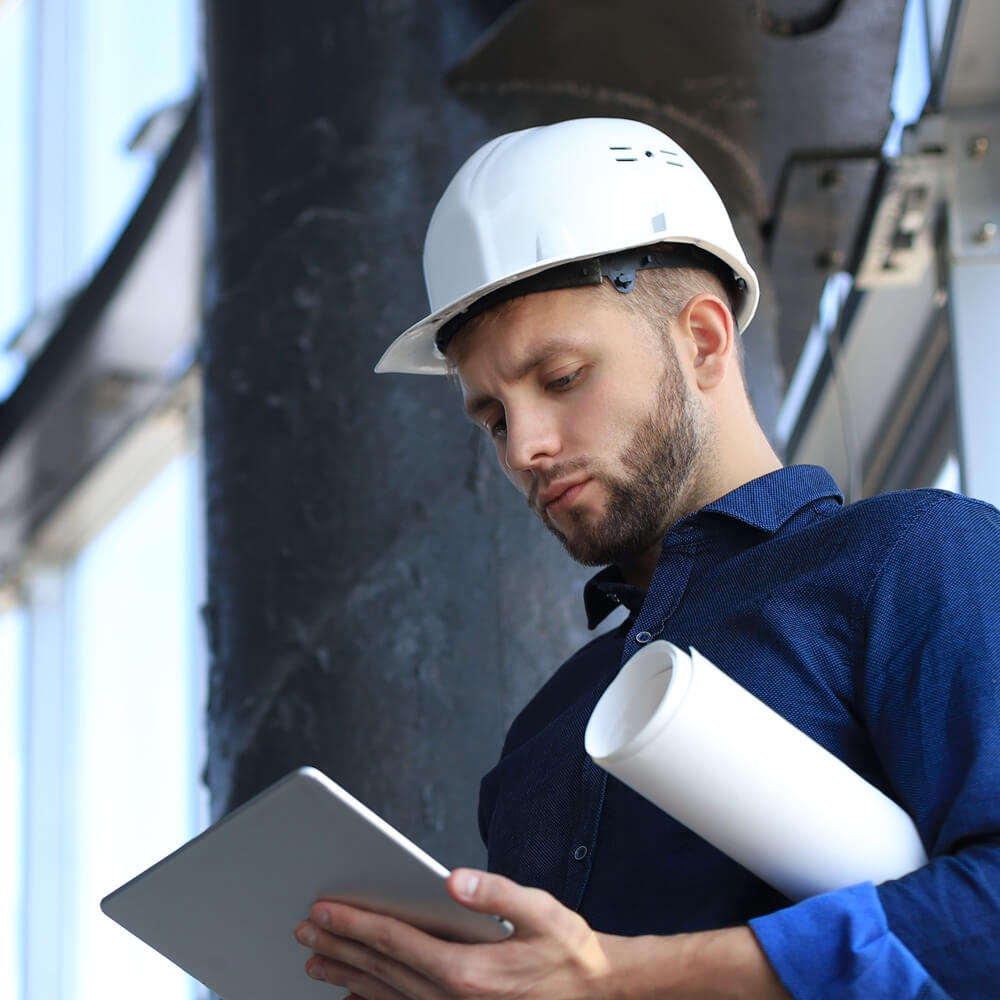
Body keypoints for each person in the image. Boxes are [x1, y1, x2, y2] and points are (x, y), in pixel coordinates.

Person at [293, 118, 1000, 998]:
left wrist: (615, 980)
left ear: (702, 341)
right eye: (492, 417)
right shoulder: (543, 737)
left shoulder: (913, 557)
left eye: (559, 379)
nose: (524, 449)